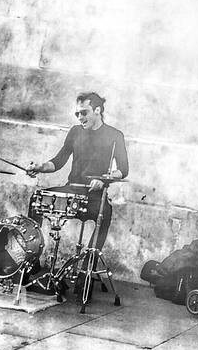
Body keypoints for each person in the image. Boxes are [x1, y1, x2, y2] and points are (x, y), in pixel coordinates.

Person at [27, 91, 128, 252]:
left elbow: (123, 170)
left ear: (97, 110)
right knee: (36, 200)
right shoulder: (75, 131)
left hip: (95, 196)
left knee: (106, 213)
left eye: (83, 112)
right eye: (77, 114)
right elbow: (58, 162)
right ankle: (32, 257)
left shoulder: (115, 135)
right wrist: (40, 167)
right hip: (72, 191)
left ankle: (87, 266)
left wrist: (104, 180)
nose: (80, 117)